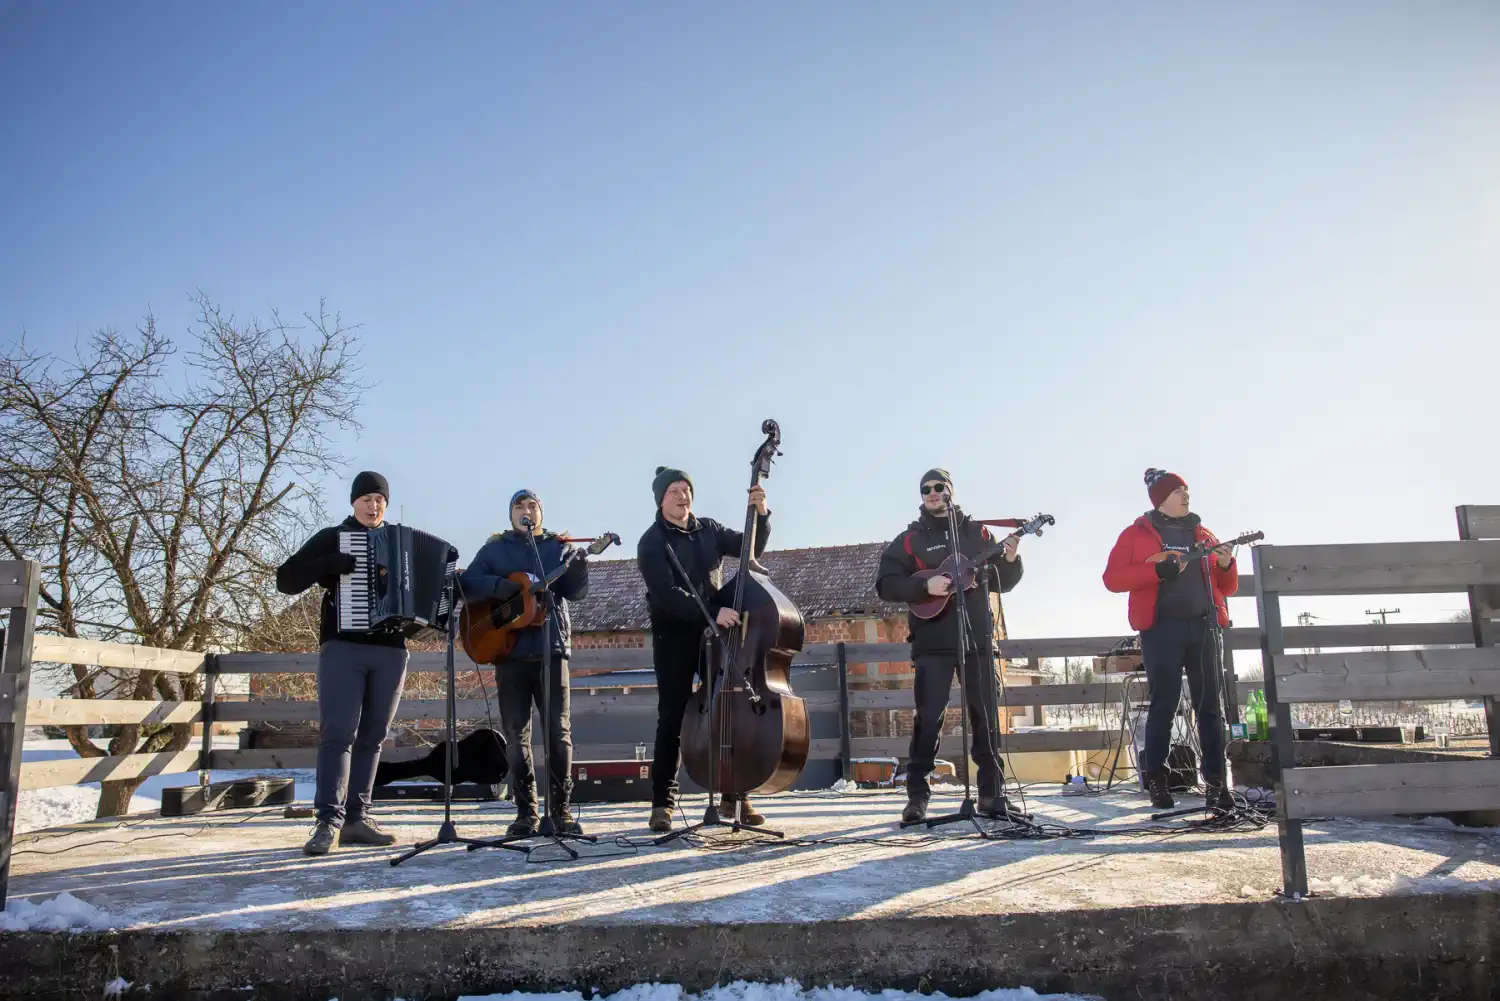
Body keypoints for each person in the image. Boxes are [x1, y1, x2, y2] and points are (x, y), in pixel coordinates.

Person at [874, 469, 1024, 825]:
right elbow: (886, 584)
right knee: (929, 718)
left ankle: (991, 793)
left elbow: (1004, 583)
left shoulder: (977, 534)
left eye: (938, 487)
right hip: (931, 643)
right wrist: (926, 588)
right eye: (925, 488)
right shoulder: (909, 540)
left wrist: (1012, 558)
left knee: (985, 717)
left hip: (977, 640)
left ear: (950, 492)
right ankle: (917, 797)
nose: (931, 492)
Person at [276, 471, 407, 856]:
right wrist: (330, 564)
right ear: (353, 503)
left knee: (374, 736)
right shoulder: (333, 537)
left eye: (379, 499)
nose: (373, 505)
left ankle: (357, 820)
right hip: (343, 648)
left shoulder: (400, 542)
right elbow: (286, 580)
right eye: (366, 498)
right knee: (338, 734)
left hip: (391, 650)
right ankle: (326, 822)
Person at [637, 465, 770, 833]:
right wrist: (712, 612)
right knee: (674, 718)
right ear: (661, 500)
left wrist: (761, 514)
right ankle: (662, 802)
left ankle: (735, 795)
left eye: (686, 490)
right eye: (673, 491)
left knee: (728, 709)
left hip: (715, 634)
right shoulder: (652, 542)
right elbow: (667, 595)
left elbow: (750, 548)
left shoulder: (708, 529)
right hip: (675, 635)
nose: (682, 496)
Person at [1103, 468, 1240, 810]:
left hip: (1205, 627)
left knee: (1209, 707)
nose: (1186, 495)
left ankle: (1216, 783)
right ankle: (1158, 781)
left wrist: (1226, 564)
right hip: (1161, 629)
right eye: (1179, 491)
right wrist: (1154, 571)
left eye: (1187, 490)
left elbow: (1228, 587)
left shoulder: (1204, 534)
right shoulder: (1136, 534)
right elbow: (1113, 578)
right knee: (1164, 703)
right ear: (1162, 498)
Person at [459, 489, 588, 836]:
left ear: (541, 513)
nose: (527, 511)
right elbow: (466, 584)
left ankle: (561, 811)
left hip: (552, 648)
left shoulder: (557, 547)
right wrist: (499, 586)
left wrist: (579, 568)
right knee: (516, 736)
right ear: (511, 514)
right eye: (520, 506)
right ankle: (525, 812)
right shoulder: (494, 550)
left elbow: (576, 592)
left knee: (558, 734)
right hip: (509, 652)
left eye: (532, 506)